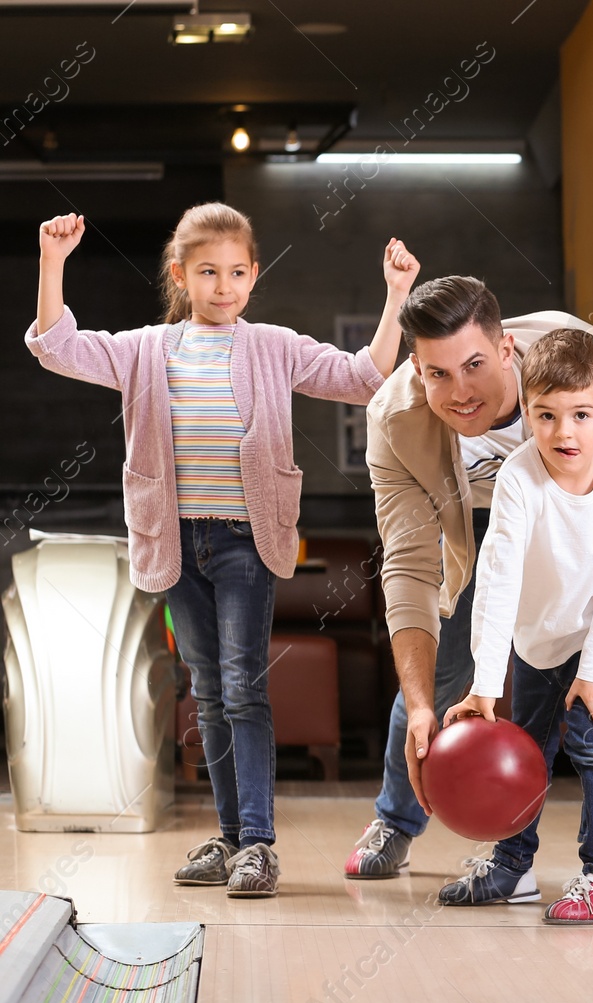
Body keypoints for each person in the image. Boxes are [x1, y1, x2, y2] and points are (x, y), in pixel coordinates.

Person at [26, 205, 418, 899]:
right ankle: (233, 837)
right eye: (209, 272)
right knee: (208, 693)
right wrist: (53, 262)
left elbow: (362, 376)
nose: (225, 284)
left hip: (244, 538)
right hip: (175, 537)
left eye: (238, 272)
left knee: (243, 687)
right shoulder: (147, 347)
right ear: (180, 275)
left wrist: (394, 297)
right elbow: (57, 347)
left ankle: (259, 842)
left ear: (255, 275)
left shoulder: (271, 344)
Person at [345, 277, 593, 907]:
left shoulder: (591, 363)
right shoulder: (394, 420)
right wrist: (430, 703)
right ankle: (412, 819)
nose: (460, 392)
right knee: (453, 680)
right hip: (488, 519)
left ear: (508, 351)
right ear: (417, 366)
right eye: (438, 374)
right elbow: (411, 570)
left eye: (473, 366)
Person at [440, 327, 593, 922]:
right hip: (535, 640)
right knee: (524, 747)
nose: (564, 432)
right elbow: (497, 580)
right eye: (547, 415)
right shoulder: (518, 479)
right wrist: (485, 685)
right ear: (527, 414)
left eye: (581, 414)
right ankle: (513, 865)